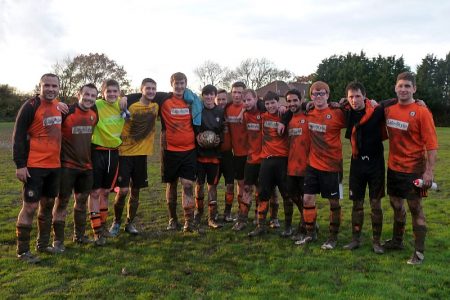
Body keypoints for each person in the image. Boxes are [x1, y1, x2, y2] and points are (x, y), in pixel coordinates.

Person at [383, 72, 438, 265]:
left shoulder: (422, 112)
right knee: (396, 205)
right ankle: (397, 241)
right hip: (394, 168)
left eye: (408, 86)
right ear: (395, 88)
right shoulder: (389, 110)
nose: (404, 89)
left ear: (414, 89)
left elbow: (431, 145)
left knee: (415, 207)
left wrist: (429, 171)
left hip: (415, 169)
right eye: (401, 86)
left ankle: (419, 252)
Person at [13, 73, 62, 263]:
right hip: (34, 166)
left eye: (54, 86)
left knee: (48, 205)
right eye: (47, 85)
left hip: (54, 166)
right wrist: (20, 165)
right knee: (30, 206)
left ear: (59, 87)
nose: (50, 89)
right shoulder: (30, 106)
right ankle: (22, 251)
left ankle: (43, 244)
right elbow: (17, 136)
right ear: (40, 86)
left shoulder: (59, 106)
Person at [295, 81, 346, 250]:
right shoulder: (308, 111)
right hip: (313, 164)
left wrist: (345, 103)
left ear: (328, 95)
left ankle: (333, 237)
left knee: (334, 203)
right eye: (315, 94)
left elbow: (356, 113)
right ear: (311, 96)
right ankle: (311, 233)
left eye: (322, 93)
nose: (318, 97)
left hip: (332, 166)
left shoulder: (337, 113)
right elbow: (293, 105)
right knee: (308, 199)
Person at [109, 78, 159, 236]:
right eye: (147, 88)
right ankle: (116, 222)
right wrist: (124, 97)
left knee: (135, 191)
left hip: (141, 155)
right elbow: (110, 101)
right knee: (123, 191)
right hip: (124, 154)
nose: (150, 91)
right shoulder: (129, 104)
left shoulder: (156, 105)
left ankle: (130, 223)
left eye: (153, 89)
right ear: (141, 89)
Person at [340, 82, 386, 254]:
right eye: (351, 96)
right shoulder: (346, 111)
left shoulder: (377, 110)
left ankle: (376, 241)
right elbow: (330, 104)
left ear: (365, 96)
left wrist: (418, 100)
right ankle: (355, 239)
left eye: (358, 96)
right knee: (357, 204)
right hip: (357, 163)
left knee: (375, 204)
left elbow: (393, 102)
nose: (354, 100)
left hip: (375, 164)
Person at [51, 84, 98, 251]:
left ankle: (79, 236)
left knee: (82, 201)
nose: (89, 98)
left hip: (86, 167)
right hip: (67, 167)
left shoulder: (94, 114)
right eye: (86, 94)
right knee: (62, 202)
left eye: (93, 96)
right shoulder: (66, 111)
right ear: (79, 94)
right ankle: (58, 241)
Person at [232, 89, 279, 231]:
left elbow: (278, 110)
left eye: (249, 100)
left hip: (266, 158)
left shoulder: (265, 112)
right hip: (251, 158)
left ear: (256, 99)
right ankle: (242, 220)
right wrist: (241, 112)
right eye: (244, 101)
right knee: (247, 189)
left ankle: (273, 218)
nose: (246, 103)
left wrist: (282, 107)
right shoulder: (245, 115)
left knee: (269, 191)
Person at [248, 91, 290, 237]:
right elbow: (254, 105)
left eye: (273, 102)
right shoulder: (263, 116)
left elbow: (295, 109)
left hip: (282, 160)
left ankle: (288, 227)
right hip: (266, 160)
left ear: (278, 102)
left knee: (286, 194)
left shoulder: (285, 114)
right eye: (267, 103)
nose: (270, 106)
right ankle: (261, 226)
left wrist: (285, 111)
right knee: (263, 193)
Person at [160, 72, 198, 232]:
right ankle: (172, 219)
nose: (180, 86)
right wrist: (125, 98)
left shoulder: (192, 101)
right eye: (177, 83)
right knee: (172, 184)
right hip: (170, 151)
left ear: (186, 83)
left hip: (189, 150)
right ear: (172, 84)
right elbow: (142, 94)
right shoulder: (164, 99)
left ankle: (188, 221)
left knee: (188, 185)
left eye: (182, 83)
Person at [89, 79, 125, 245]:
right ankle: (96, 231)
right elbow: (80, 106)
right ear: (102, 93)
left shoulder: (123, 104)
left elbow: (144, 94)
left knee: (105, 192)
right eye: (108, 91)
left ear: (119, 92)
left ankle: (102, 227)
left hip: (114, 153)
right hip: (97, 151)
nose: (111, 94)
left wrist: (125, 99)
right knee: (95, 192)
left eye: (114, 91)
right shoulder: (96, 104)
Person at [193, 85, 224, 229]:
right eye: (206, 95)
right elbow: (192, 128)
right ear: (203, 96)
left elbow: (224, 130)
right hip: (199, 155)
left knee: (212, 187)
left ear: (215, 96)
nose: (209, 97)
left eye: (212, 95)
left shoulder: (220, 111)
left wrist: (219, 139)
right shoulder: (198, 110)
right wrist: (197, 137)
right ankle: (197, 214)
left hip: (214, 156)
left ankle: (212, 217)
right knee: (199, 186)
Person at [282, 89, 310, 239]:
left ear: (301, 100)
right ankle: (308, 220)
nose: (292, 104)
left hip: (307, 166)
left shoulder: (309, 116)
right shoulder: (287, 119)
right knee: (294, 196)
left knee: (306, 198)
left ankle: (304, 228)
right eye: (289, 101)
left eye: (295, 100)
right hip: (291, 166)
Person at [223, 82, 248, 222]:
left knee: (255, 185)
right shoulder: (227, 108)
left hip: (251, 153)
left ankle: (259, 213)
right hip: (236, 153)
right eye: (234, 92)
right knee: (240, 183)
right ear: (231, 93)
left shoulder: (250, 107)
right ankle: (241, 211)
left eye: (240, 92)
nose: (237, 95)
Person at [215, 89, 234, 221]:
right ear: (215, 100)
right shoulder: (210, 112)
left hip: (228, 154)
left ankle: (227, 212)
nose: (221, 102)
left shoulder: (230, 111)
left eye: (223, 99)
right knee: (213, 185)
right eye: (219, 99)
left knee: (230, 184)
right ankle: (213, 211)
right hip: (214, 154)